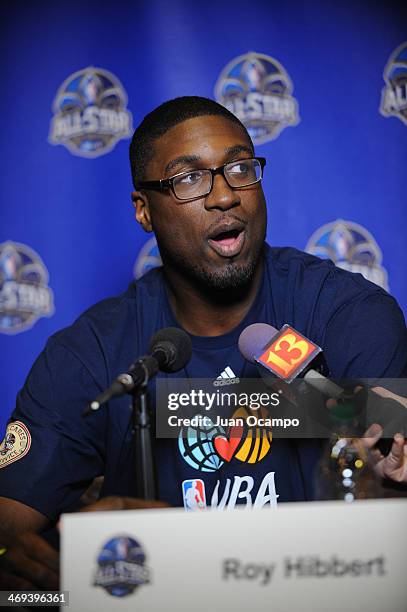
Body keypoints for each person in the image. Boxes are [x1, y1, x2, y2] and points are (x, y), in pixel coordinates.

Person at [0, 96, 406, 589]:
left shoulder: (347, 313)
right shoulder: (92, 353)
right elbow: (11, 523)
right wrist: (58, 557)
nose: (224, 196)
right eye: (188, 178)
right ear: (143, 211)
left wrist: (386, 474)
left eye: (239, 167)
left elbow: (389, 520)